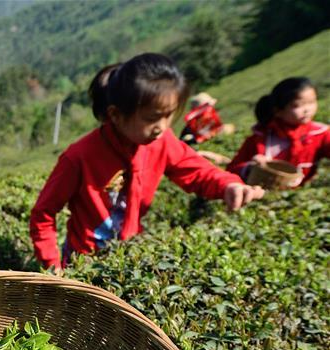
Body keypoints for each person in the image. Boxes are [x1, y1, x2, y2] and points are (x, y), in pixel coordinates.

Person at [30, 53, 264, 272]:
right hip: (83, 261)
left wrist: (228, 185)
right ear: (115, 115)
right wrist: (53, 266)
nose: (162, 127)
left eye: (168, 115)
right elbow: (44, 212)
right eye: (152, 118)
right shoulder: (79, 156)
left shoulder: (162, 142)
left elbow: (196, 171)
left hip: (129, 254)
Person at [228, 77, 329, 188]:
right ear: (278, 111)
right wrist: (250, 168)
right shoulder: (259, 138)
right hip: (261, 197)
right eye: (297, 105)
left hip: (297, 197)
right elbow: (231, 170)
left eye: (312, 102)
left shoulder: (319, 134)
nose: (307, 109)